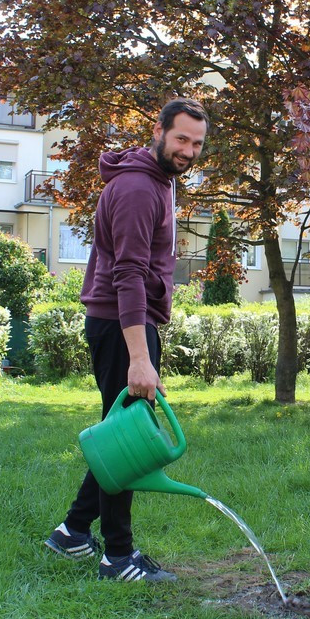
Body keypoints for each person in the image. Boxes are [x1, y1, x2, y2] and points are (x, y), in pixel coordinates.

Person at [44, 98, 208, 582]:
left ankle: (73, 532)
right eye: (181, 139)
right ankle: (118, 557)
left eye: (197, 144)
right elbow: (128, 275)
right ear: (158, 131)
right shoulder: (140, 188)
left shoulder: (156, 181)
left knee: (122, 434)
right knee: (128, 440)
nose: (189, 151)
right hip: (123, 323)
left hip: (121, 322)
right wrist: (140, 356)